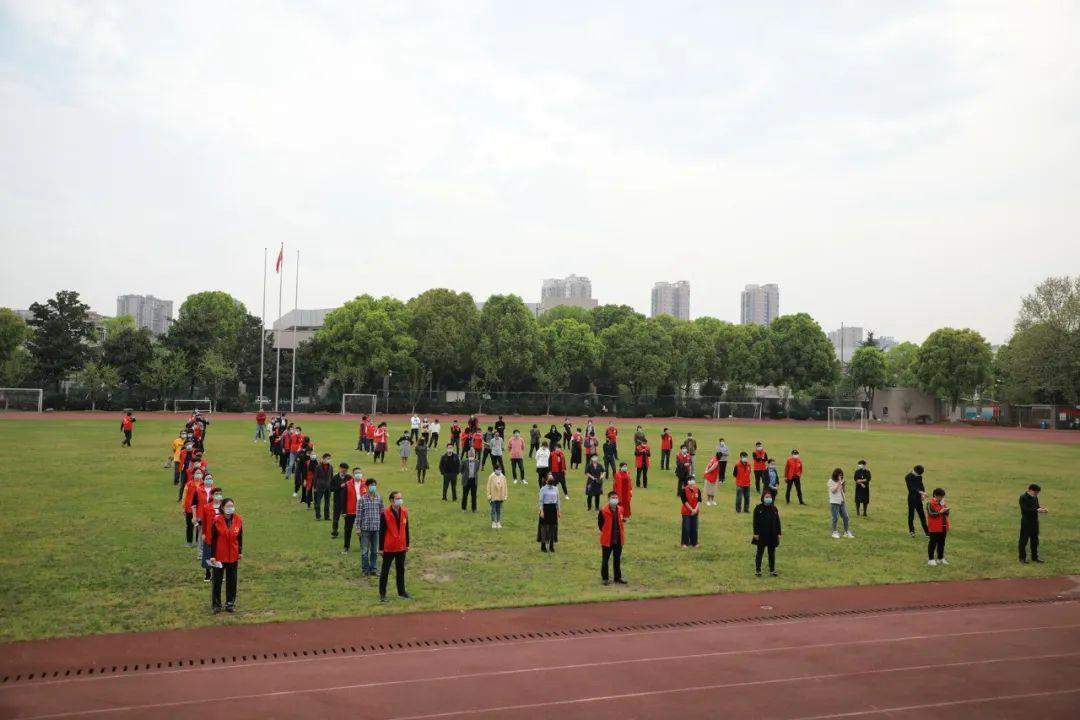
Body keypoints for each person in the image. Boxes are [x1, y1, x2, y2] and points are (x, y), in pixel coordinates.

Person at [208, 497, 243, 613]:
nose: (230, 508)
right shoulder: (217, 520)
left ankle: (230, 603)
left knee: (232, 580)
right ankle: (216, 605)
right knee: (217, 581)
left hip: (233, 556)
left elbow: (239, 537)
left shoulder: (238, 519)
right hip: (219, 556)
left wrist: (240, 552)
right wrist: (212, 555)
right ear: (222, 508)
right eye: (227, 506)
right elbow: (213, 539)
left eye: (232, 506)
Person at [378, 490, 411, 601]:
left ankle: (401, 592)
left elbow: (406, 529)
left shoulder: (405, 511)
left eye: (401, 498)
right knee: (385, 571)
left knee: (401, 570)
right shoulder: (385, 513)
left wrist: (407, 544)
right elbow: (381, 532)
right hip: (389, 548)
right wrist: (381, 548)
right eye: (398, 498)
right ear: (392, 500)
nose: (400, 500)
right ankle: (382, 594)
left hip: (401, 547)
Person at [598, 491, 627, 585]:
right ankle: (605, 578)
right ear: (609, 499)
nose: (615, 499)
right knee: (605, 559)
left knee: (617, 558)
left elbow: (621, 520)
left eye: (616, 497)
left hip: (618, 539)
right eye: (613, 497)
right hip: (607, 539)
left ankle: (617, 577)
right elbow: (600, 525)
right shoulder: (603, 511)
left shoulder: (620, 509)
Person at [356, 478, 383, 576]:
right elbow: (359, 514)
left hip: (376, 528)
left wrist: (383, 526)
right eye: (371, 485)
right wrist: (358, 528)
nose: (373, 487)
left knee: (374, 551)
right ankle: (365, 569)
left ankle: (373, 569)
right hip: (365, 529)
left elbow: (382, 512)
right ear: (366, 487)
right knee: (364, 551)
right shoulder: (362, 500)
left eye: (374, 485)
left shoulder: (379, 498)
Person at [752, 491, 782, 577]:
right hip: (761, 534)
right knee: (760, 552)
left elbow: (777, 521)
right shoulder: (758, 508)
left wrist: (779, 533)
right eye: (766, 497)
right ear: (763, 498)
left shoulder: (774, 509)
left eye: (769, 497)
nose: (768, 498)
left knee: (772, 553)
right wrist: (755, 533)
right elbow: (755, 522)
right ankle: (758, 570)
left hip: (772, 534)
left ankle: (772, 570)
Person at [198, 487, 223, 582]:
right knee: (208, 554)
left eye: (220, 493)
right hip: (209, 534)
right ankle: (208, 572)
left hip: (221, 535)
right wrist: (203, 533)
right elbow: (204, 522)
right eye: (216, 493)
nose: (218, 495)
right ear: (212, 495)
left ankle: (217, 573)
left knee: (219, 554)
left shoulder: (223, 507)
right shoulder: (207, 507)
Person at [1019, 483, 1048, 564]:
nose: (1036, 494)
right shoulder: (1023, 497)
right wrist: (1037, 510)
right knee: (1023, 540)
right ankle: (1022, 558)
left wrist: (1042, 509)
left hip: (1035, 522)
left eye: (1037, 493)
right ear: (1030, 490)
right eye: (1035, 492)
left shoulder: (1035, 497)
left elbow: (1036, 507)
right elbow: (1025, 510)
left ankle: (1035, 557)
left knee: (1035, 540)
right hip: (1026, 522)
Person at [341, 467, 365, 553]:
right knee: (348, 529)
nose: (358, 474)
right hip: (350, 511)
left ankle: (363, 547)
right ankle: (346, 547)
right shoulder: (347, 484)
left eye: (360, 472)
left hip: (362, 511)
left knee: (362, 529)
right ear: (353, 474)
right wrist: (344, 511)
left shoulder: (365, 484)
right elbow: (343, 499)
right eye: (356, 473)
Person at [926, 488, 950, 566]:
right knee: (933, 543)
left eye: (943, 497)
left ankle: (940, 558)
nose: (942, 498)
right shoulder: (930, 503)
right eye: (941, 497)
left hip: (943, 526)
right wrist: (940, 512)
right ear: (936, 495)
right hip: (934, 527)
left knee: (942, 543)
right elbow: (931, 514)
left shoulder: (942, 503)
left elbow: (946, 514)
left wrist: (946, 510)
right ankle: (931, 559)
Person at [537, 477, 562, 553]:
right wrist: (541, 511)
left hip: (553, 509)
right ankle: (543, 545)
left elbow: (558, 500)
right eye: (549, 477)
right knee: (544, 528)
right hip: (545, 508)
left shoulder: (556, 489)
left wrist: (558, 510)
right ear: (546, 480)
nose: (551, 478)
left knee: (552, 527)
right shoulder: (543, 489)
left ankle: (551, 545)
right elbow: (541, 501)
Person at [828, 468, 854, 538]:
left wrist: (843, 485)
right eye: (840, 475)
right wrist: (839, 483)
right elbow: (833, 491)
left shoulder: (841, 481)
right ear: (835, 475)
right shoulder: (831, 481)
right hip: (834, 502)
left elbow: (843, 491)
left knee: (846, 517)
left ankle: (846, 531)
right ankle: (834, 532)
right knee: (835, 517)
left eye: (842, 475)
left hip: (842, 501)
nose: (841, 477)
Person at [905, 465, 929, 537]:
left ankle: (927, 532)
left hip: (918, 498)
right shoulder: (908, 477)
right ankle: (911, 531)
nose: (919, 476)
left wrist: (923, 494)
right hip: (912, 498)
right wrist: (921, 492)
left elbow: (921, 486)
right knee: (911, 515)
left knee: (922, 515)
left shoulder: (919, 476)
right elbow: (912, 488)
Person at [330, 461, 351, 538]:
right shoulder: (335, 478)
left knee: (347, 519)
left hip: (346, 502)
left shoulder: (349, 477)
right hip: (337, 501)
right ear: (340, 469)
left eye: (346, 470)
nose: (344, 472)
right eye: (343, 470)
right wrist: (340, 486)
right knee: (336, 518)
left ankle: (347, 532)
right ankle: (334, 532)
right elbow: (331, 488)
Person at [680, 477, 701, 548]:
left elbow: (699, 501)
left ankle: (694, 543)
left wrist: (695, 510)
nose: (692, 481)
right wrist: (692, 510)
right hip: (686, 512)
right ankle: (685, 543)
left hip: (695, 512)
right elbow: (684, 502)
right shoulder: (684, 490)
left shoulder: (697, 489)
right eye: (690, 480)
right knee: (686, 528)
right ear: (688, 482)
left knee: (694, 528)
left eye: (693, 480)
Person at [313, 453, 335, 521]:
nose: (328, 460)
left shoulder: (331, 467)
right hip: (319, 487)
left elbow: (331, 477)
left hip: (328, 487)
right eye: (327, 459)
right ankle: (318, 516)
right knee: (318, 503)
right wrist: (315, 487)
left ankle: (327, 516)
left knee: (327, 503)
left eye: (329, 459)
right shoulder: (318, 467)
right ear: (323, 459)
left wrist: (331, 486)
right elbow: (315, 478)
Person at [460, 448, 480, 512]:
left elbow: (476, 470)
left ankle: (474, 509)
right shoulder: (464, 461)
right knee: (465, 495)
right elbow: (461, 470)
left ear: (474, 454)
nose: (471, 454)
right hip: (466, 480)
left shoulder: (477, 462)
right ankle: (464, 508)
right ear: (468, 454)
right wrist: (465, 475)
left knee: (474, 495)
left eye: (473, 453)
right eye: (470, 453)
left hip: (474, 480)